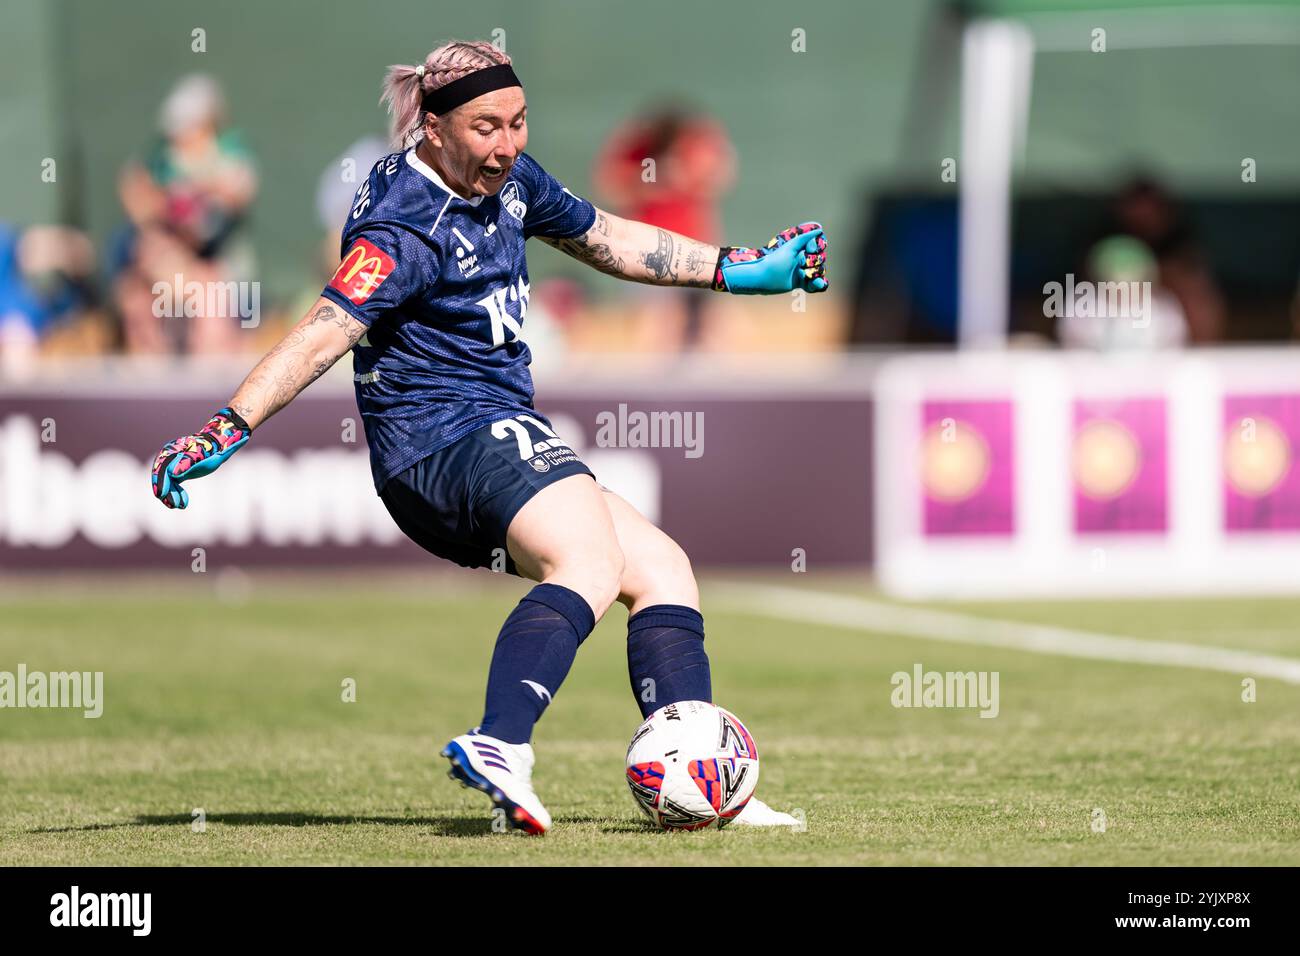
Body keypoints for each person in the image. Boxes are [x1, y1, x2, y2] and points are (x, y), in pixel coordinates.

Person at [149, 40, 827, 834]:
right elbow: (324, 331)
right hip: (440, 440)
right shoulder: (406, 227)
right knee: (590, 560)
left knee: (661, 568)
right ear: (432, 129)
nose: (507, 143)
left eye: (518, 122)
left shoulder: (506, 177)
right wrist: (228, 425)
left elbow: (606, 238)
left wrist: (739, 270)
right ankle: (501, 743)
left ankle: (702, 776)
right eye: (484, 127)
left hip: (489, 426)